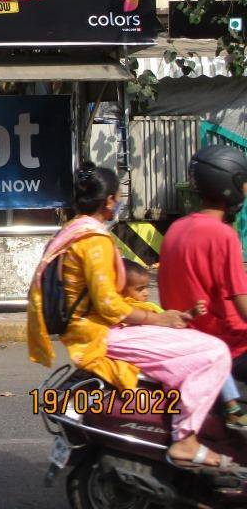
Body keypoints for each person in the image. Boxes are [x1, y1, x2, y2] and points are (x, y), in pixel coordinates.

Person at [28, 161, 241, 472]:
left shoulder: (72, 231)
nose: (119, 203)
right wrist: (159, 319)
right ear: (109, 201)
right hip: (100, 335)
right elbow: (109, 306)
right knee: (215, 352)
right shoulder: (93, 241)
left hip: (92, 330)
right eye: (118, 197)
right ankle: (186, 439)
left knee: (191, 346)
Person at [123, 258, 247, 430]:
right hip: (165, 349)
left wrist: (192, 314)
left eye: (145, 288)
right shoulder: (129, 311)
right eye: (139, 289)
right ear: (122, 290)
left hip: (174, 342)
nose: (145, 293)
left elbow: (172, 320)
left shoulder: (147, 306)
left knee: (216, 353)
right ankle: (228, 408)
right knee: (211, 357)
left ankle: (229, 406)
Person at [159, 145, 247, 381]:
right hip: (228, 345)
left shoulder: (175, 228)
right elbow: (243, 306)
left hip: (186, 339)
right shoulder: (223, 235)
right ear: (231, 183)